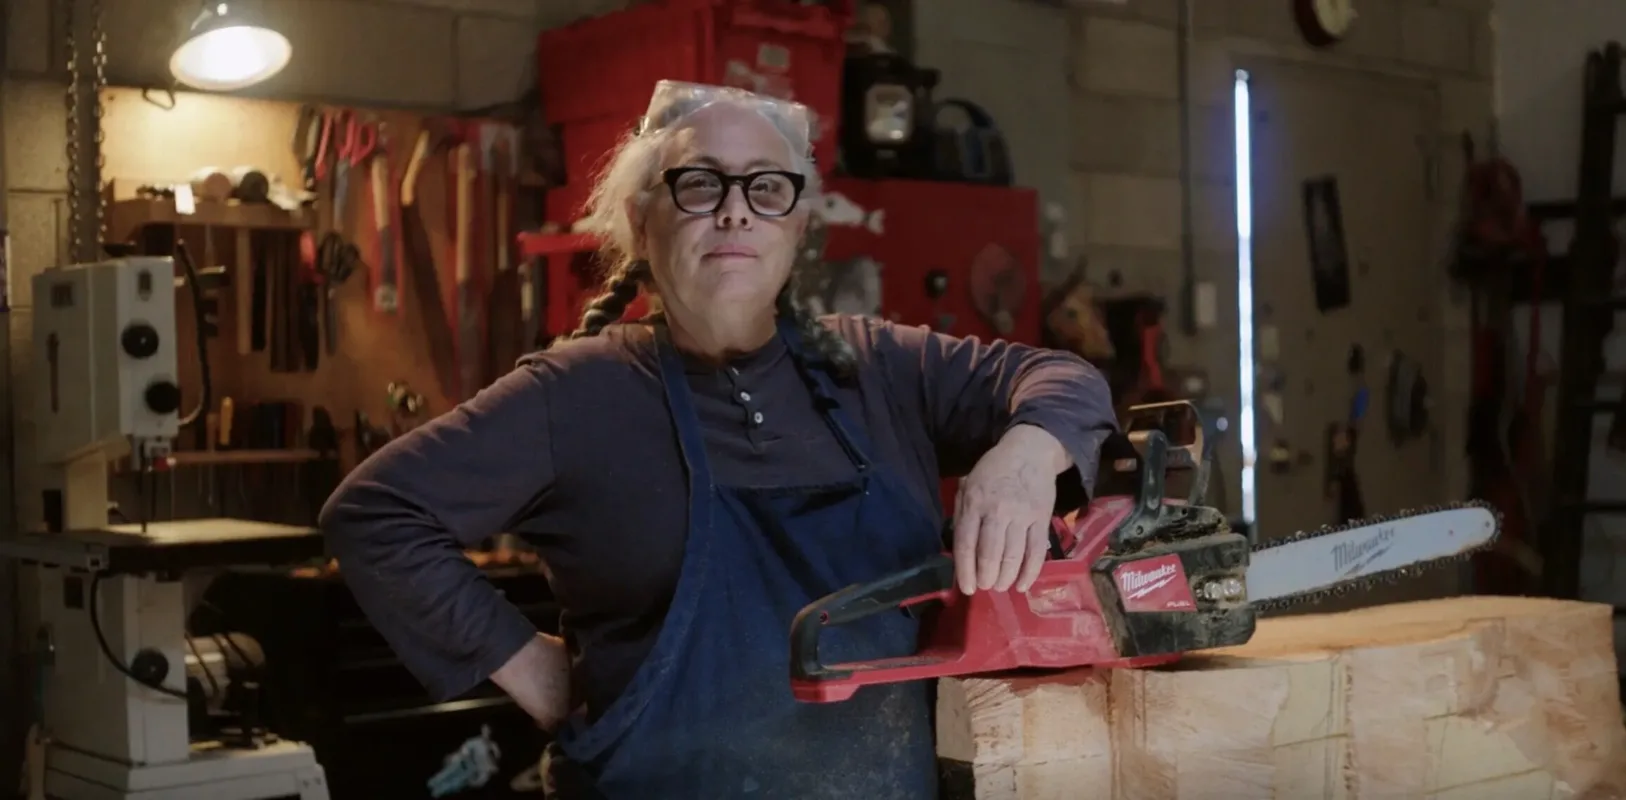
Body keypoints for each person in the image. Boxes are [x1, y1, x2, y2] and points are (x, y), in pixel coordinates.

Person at [318, 81, 1117, 799]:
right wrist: (537, 672)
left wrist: (1025, 455)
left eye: (766, 188)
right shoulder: (575, 395)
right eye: (699, 184)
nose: (735, 211)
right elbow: (378, 514)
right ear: (640, 219)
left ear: (798, 223)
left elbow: (1067, 381)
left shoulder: (880, 366)